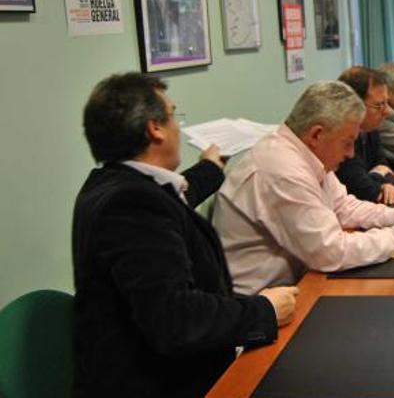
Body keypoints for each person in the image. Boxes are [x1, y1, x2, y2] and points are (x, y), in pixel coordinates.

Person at [73, 73, 297, 397]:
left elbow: (175, 199)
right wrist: (264, 311)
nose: (178, 126)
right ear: (155, 128)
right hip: (161, 384)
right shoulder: (131, 206)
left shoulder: (112, 186)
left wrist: (210, 169)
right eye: (173, 115)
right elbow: (177, 319)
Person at [213, 81, 394, 295]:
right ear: (317, 134)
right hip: (261, 304)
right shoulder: (282, 169)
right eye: (347, 142)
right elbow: (330, 252)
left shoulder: (305, 152)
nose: (350, 154)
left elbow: (344, 207)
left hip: (297, 281)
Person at [336, 66, 394, 204]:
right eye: (379, 105)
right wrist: (379, 179)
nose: (386, 112)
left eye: (386, 103)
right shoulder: (341, 136)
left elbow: (384, 165)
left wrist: (378, 179)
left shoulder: (370, 128)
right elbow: (361, 188)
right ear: (355, 105)